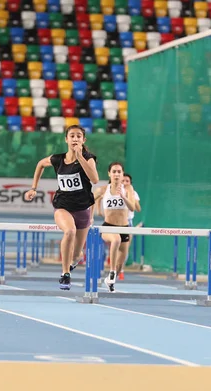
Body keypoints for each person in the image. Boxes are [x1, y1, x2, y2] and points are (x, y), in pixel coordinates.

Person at [24, 125, 99, 290]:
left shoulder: (89, 158)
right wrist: (33, 188)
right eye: (72, 136)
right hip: (63, 206)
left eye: (79, 136)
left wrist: (80, 157)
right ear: (66, 139)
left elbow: (94, 179)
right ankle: (65, 274)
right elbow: (40, 164)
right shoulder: (58, 159)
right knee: (69, 231)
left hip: (83, 210)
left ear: (83, 140)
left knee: (77, 254)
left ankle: (73, 261)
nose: (75, 139)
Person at [91, 162, 137, 292]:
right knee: (115, 240)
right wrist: (90, 217)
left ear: (122, 175)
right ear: (109, 174)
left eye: (119, 172)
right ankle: (111, 272)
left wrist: (123, 197)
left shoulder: (128, 189)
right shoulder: (103, 189)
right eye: (114, 171)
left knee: (121, 260)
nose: (116, 174)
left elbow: (132, 207)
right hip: (108, 226)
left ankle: (111, 278)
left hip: (124, 227)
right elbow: (89, 201)